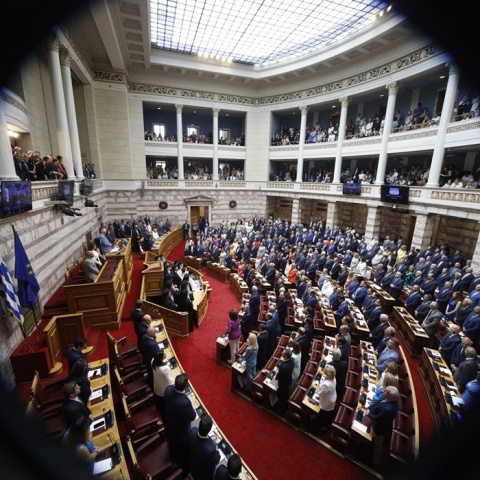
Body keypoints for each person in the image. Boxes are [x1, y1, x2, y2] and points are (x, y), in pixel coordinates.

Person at [164, 373, 196, 473]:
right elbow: (193, 416)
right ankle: (183, 468)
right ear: (185, 387)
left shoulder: (168, 389)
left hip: (169, 422)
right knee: (181, 450)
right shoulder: (185, 402)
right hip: (180, 432)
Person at [367, 386, 400, 466]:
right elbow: (377, 403)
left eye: (386, 391)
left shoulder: (388, 409)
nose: (383, 391)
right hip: (378, 421)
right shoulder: (390, 400)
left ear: (391, 396)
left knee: (377, 445)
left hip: (378, 429)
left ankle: (375, 462)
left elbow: (377, 419)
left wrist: (368, 414)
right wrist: (369, 407)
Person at [187, 414, 220, 480]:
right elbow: (215, 461)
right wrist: (217, 452)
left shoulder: (193, 431)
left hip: (190, 463)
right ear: (210, 429)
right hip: (200, 473)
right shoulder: (211, 449)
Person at [311, 364, 337, 433]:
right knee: (328, 414)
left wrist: (315, 391)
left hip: (327, 401)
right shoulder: (333, 378)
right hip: (332, 397)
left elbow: (321, 393)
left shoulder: (326, 385)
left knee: (324, 415)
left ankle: (319, 427)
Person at [151, 350, 173, 419]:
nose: (165, 354)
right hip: (163, 391)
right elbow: (169, 382)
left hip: (157, 387)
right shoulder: (164, 369)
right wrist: (169, 368)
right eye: (164, 354)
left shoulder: (152, 361)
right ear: (161, 358)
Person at [275, 348, 294, 415]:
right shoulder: (291, 360)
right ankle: (286, 405)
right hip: (288, 380)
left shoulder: (283, 367)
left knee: (281, 396)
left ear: (285, 356)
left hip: (283, 384)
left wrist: (276, 377)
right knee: (286, 394)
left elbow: (279, 376)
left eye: (282, 353)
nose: (281, 353)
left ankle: (281, 411)